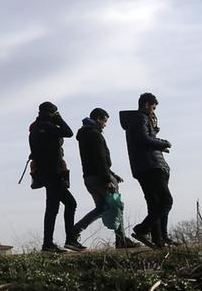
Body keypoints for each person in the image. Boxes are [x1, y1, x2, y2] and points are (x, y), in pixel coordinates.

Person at [72, 108, 137, 248]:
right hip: (100, 177)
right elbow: (100, 158)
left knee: (101, 208)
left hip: (89, 178)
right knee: (117, 205)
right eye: (105, 121)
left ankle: (75, 230)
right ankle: (121, 240)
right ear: (98, 119)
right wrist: (108, 179)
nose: (105, 125)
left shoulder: (84, 135)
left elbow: (93, 159)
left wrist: (111, 173)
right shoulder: (95, 134)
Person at [120, 93, 174, 248]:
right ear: (146, 104)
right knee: (166, 201)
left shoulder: (135, 121)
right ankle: (142, 229)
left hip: (142, 167)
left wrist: (154, 130)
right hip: (151, 166)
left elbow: (143, 140)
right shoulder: (140, 118)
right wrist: (163, 143)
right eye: (153, 107)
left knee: (154, 203)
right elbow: (143, 139)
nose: (153, 111)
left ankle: (159, 240)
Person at [29, 102, 81, 252]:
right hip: (54, 172)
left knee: (68, 204)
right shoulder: (49, 127)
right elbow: (69, 132)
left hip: (44, 173)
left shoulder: (34, 129)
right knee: (54, 208)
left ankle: (62, 241)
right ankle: (50, 244)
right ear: (52, 113)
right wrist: (59, 119)